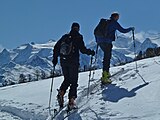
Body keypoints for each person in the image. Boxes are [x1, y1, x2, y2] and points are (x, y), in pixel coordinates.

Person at [52, 22, 95, 110]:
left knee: (67, 79)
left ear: (71, 28)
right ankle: (71, 101)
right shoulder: (78, 37)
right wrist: (90, 52)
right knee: (74, 82)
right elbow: (82, 50)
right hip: (73, 62)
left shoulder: (65, 36)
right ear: (78, 28)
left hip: (63, 61)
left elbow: (56, 47)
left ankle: (61, 93)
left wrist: (55, 59)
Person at [95, 12, 135, 84]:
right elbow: (123, 30)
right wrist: (131, 29)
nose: (118, 18)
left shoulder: (104, 22)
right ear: (116, 17)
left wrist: (97, 41)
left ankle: (106, 73)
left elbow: (95, 31)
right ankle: (105, 76)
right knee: (107, 58)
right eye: (118, 17)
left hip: (100, 42)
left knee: (106, 57)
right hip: (107, 42)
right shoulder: (114, 23)